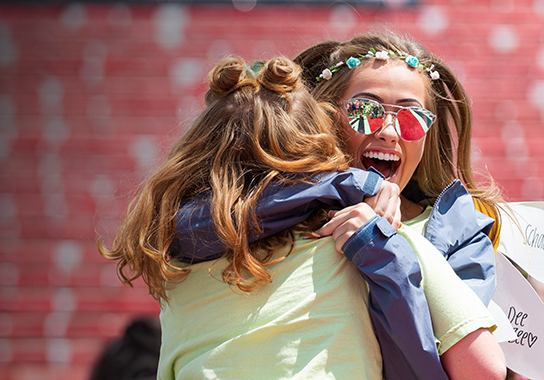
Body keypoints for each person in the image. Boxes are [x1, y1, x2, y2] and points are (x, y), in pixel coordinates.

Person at [100, 54, 500, 379]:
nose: (390, 132)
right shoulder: (364, 237)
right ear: (322, 122)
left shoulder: (182, 257)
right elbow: (482, 367)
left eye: (413, 119)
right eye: (365, 112)